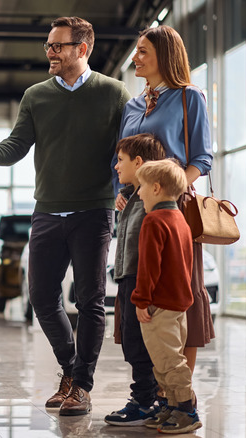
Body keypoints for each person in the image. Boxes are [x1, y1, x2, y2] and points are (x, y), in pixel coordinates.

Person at [0, 16, 130, 416]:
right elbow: (16, 145)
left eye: (58, 46)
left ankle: (80, 387)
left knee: (89, 300)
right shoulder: (36, 95)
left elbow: (123, 150)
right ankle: (73, 372)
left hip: (94, 210)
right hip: (48, 210)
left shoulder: (114, 93)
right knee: (40, 296)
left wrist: (124, 191)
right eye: (48, 46)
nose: (50, 52)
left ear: (81, 49)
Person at [111, 24, 214, 378]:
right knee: (138, 292)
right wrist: (118, 194)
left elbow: (200, 159)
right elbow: (121, 158)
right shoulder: (133, 105)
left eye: (143, 52)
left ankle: (175, 391)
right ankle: (147, 386)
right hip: (134, 212)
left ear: (164, 57)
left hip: (173, 212)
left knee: (176, 293)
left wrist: (167, 191)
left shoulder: (189, 97)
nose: (136, 57)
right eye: (136, 51)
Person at [132, 159, 202, 434]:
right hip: (178, 304)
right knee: (165, 358)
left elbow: (149, 266)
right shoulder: (180, 221)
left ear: (157, 188)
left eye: (142, 188)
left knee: (169, 361)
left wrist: (141, 300)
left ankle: (186, 410)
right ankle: (173, 406)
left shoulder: (154, 221)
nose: (138, 193)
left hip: (158, 305)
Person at [103, 133, 165, 426]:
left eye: (121, 160)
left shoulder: (153, 200)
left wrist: (143, 292)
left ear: (138, 162)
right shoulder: (133, 196)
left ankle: (144, 401)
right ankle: (147, 397)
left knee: (138, 343)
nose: (116, 167)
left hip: (139, 281)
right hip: (127, 278)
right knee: (130, 339)